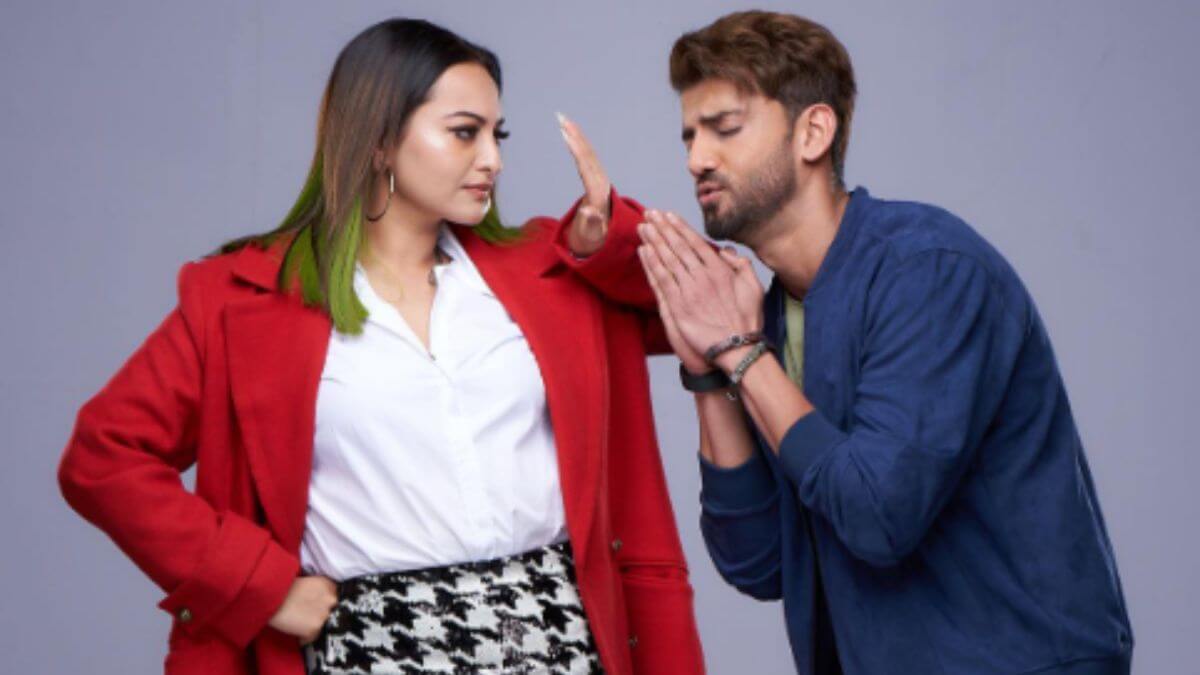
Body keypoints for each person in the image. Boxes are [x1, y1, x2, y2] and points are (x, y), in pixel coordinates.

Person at [58, 18, 704, 675]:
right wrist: (259, 586)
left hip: (557, 644)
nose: (493, 159)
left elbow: (706, 316)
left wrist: (607, 248)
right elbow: (103, 457)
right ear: (379, 140)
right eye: (465, 132)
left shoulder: (549, 270)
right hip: (372, 650)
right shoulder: (243, 298)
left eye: (497, 134)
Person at [635, 10, 1132, 674]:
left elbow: (877, 514)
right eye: (690, 136)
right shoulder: (771, 316)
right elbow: (761, 562)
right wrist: (709, 369)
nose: (697, 158)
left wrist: (741, 352)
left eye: (724, 128)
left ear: (813, 132)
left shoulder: (928, 271)